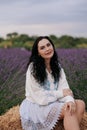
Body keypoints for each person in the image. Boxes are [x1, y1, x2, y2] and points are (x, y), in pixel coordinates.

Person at [20, 36, 85, 130]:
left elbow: (65, 88)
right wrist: (61, 94)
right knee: (68, 110)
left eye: (48, 45)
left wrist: (70, 100)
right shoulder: (33, 68)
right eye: (42, 48)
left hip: (53, 101)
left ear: (52, 46)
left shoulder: (57, 66)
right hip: (38, 105)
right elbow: (38, 96)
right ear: (38, 53)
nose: (47, 49)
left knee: (80, 104)